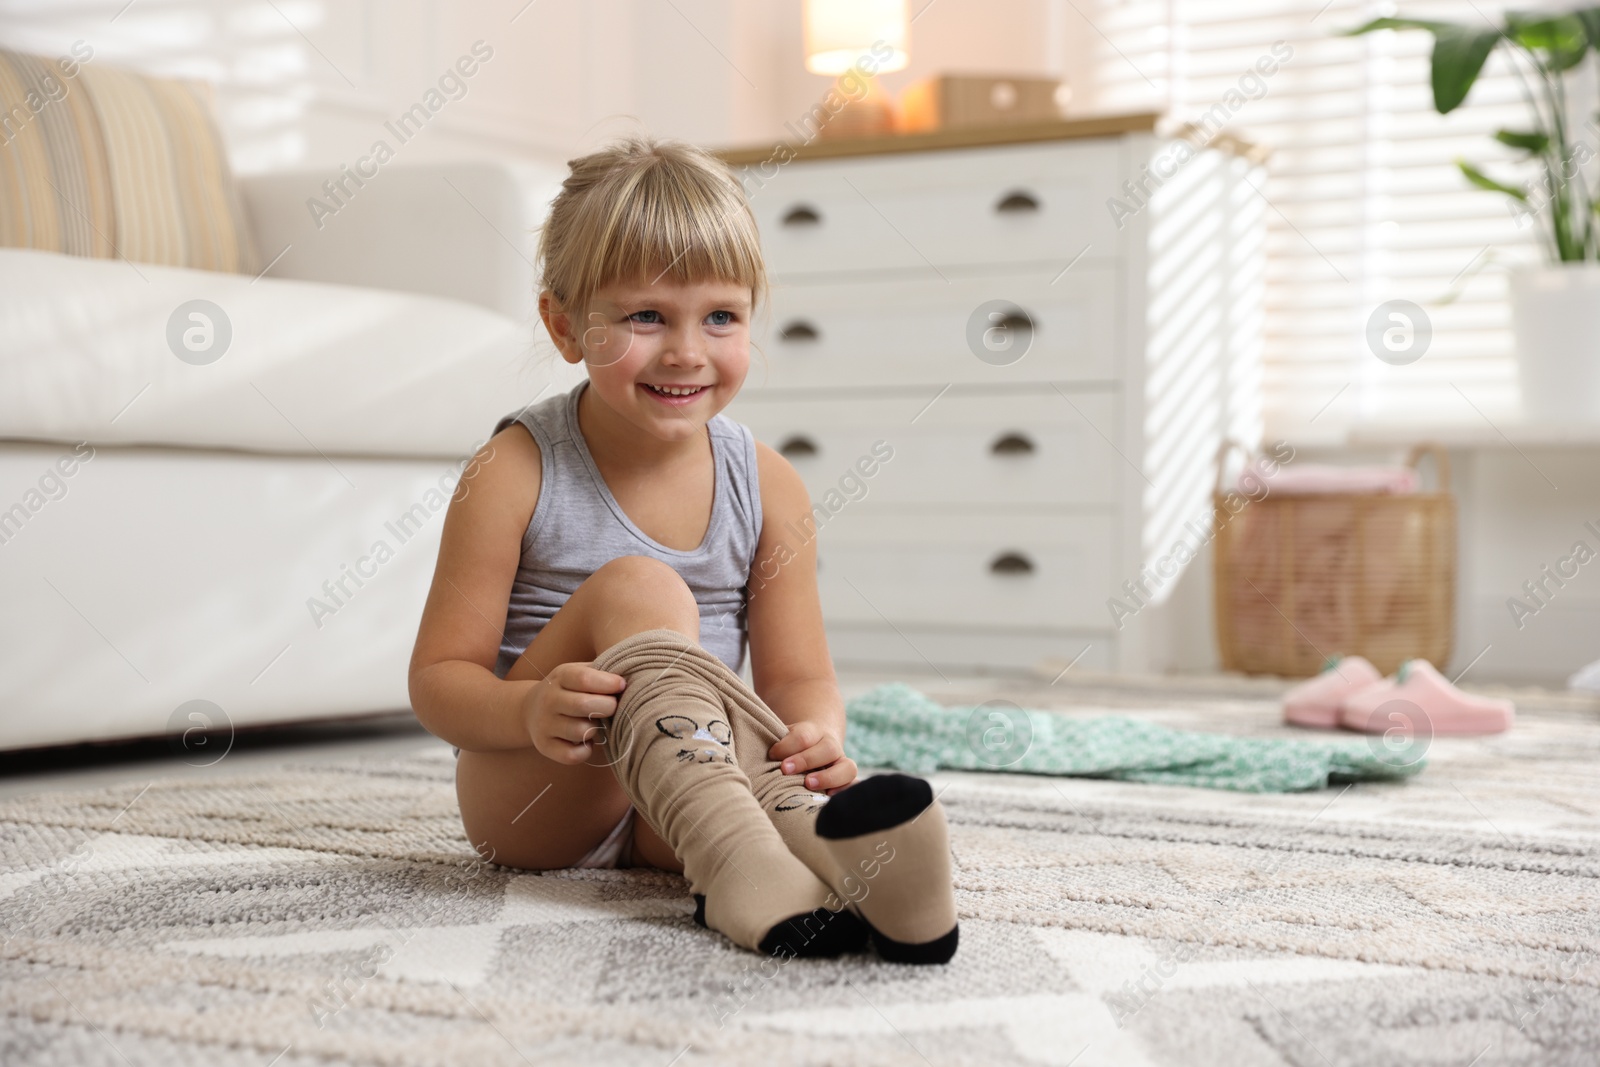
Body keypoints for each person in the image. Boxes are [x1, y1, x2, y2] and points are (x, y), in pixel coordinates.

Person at [406, 134, 859, 876]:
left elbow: (798, 677)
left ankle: (830, 862)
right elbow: (438, 681)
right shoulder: (514, 469)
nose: (687, 351)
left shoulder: (769, 484)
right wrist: (527, 710)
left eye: (721, 317)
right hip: (539, 796)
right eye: (646, 316)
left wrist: (816, 731)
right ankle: (745, 851)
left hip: (680, 798)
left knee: (795, 790)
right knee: (641, 584)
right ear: (565, 327)